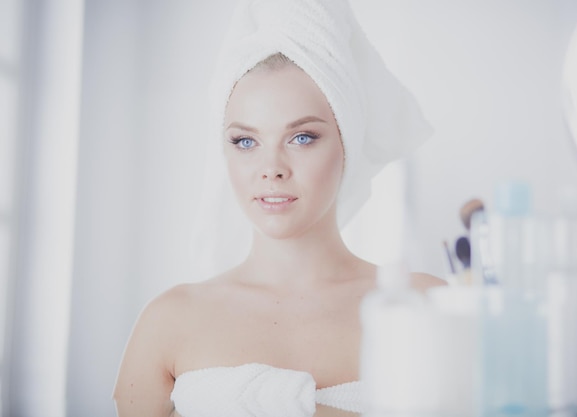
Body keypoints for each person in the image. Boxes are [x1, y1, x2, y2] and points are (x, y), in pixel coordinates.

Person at [113, 0, 445, 416]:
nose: (271, 169)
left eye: (302, 137)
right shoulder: (169, 321)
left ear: (347, 142)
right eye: (245, 142)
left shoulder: (426, 306)